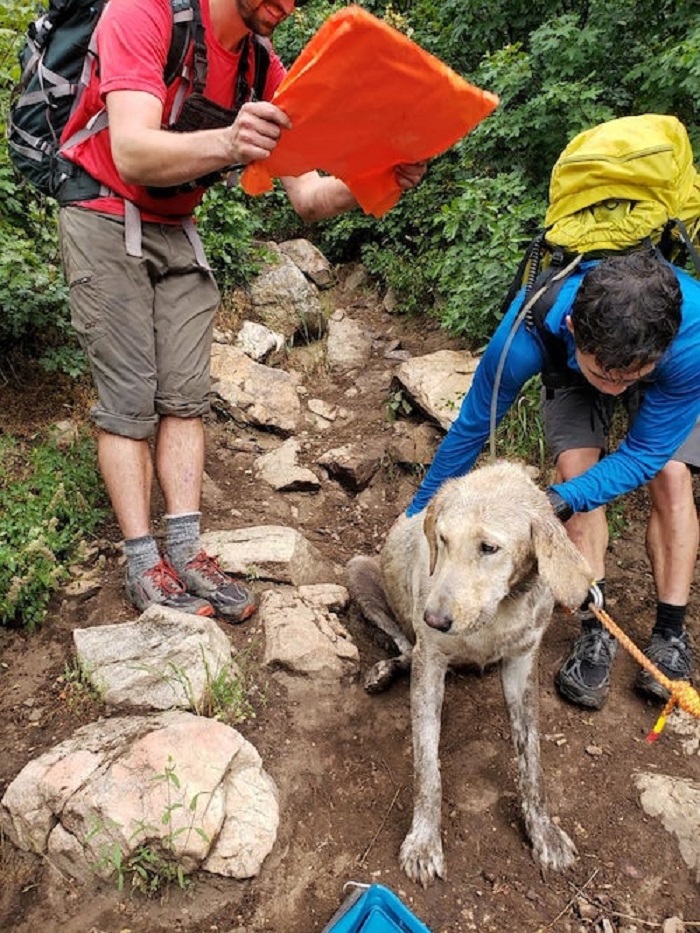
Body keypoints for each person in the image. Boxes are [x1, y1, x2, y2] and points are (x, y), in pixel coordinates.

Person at [56, 0, 426, 621]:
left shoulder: (261, 66)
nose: (291, 4)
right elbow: (132, 152)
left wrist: (381, 179)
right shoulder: (142, 12)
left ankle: (186, 550)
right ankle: (144, 563)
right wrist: (228, 140)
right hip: (100, 210)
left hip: (176, 223)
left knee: (186, 396)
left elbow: (307, 195)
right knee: (129, 401)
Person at [407, 250, 700, 709]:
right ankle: (595, 630)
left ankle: (670, 631)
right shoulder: (526, 334)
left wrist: (559, 501)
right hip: (570, 368)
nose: (619, 390)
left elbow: (645, 452)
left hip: (671, 372)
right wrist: (418, 513)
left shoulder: (691, 341)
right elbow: (471, 430)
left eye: (632, 379)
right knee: (575, 470)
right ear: (573, 330)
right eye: (607, 375)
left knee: (672, 476)